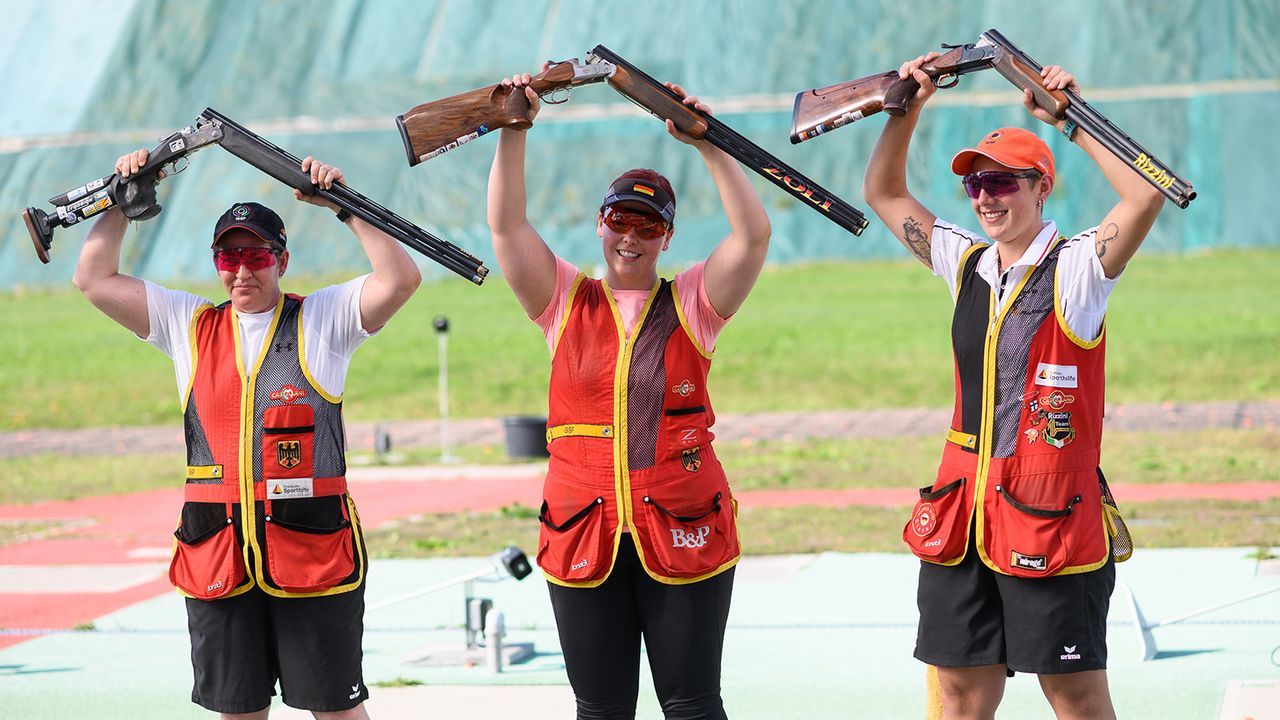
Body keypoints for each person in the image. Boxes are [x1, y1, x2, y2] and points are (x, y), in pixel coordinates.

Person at [862, 54, 1164, 720]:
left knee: (1077, 698)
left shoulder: (1078, 269)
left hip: (1050, 517)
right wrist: (908, 104)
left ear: (1041, 187)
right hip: (961, 519)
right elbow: (883, 192)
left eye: (1002, 183)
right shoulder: (964, 260)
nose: (985, 197)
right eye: (974, 186)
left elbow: (1144, 195)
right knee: (960, 696)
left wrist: (1072, 121)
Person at [72, 150, 422, 719]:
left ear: (281, 259)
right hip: (219, 556)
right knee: (238, 712)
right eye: (228, 257)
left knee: (336, 709)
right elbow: (91, 278)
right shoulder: (187, 324)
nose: (241, 271)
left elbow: (401, 279)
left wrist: (344, 207)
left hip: (311, 555)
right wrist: (120, 200)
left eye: (256, 255)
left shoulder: (322, 319)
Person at [487, 68, 771, 719]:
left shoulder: (694, 303)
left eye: (648, 228)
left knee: (693, 706)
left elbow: (753, 237)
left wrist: (708, 144)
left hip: (683, 527)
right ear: (600, 223)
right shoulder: (563, 301)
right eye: (621, 221)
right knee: (600, 709)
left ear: (667, 237)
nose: (631, 238)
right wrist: (513, 129)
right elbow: (506, 228)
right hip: (583, 532)